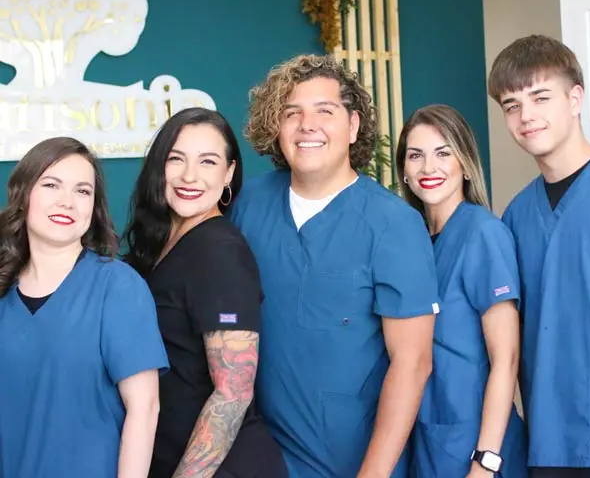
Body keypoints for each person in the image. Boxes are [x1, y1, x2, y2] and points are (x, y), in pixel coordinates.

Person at [229, 54, 440, 478]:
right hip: (261, 457)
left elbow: (413, 362)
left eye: (325, 111)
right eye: (292, 113)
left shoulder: (394, 225)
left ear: (354, 126)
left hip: (353, 461)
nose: (307, 125)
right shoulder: (249, 205)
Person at [123, 107, 287, 478]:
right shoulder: (167, 242)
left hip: (221, 468)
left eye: (208, 162)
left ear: (229, 173)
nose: (189, 176)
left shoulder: (220, 252)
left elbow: (234, 392)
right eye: (176, 159)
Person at [0, 136, 168, 478]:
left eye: (82, 191)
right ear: (23, 194)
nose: (67, 202)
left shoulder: (117, 286)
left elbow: (145, 409)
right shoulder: (4, 289)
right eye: (51, 185)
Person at [488, 34, 590, 478]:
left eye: (540, 96)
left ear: (576, 98)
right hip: (551, 444)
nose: (526, 116)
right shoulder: (515, 216)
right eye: (512, 105)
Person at [396, 104, 527, 478]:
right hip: (425, 441)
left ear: (465, 163)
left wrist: (485, 460)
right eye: (416, 155)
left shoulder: (482, 234)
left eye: (443, 153)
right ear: (404, 171)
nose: (428, 168)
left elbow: (507, 358)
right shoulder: (411, 241)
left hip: (476, 447)